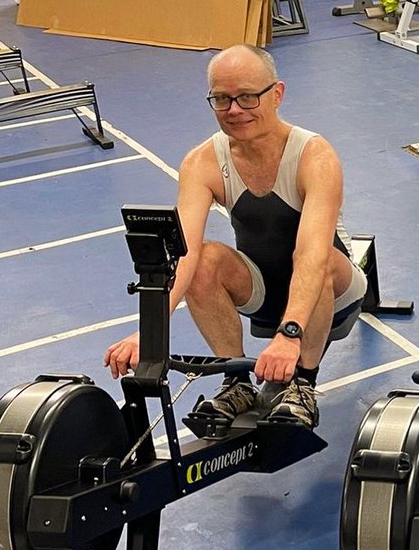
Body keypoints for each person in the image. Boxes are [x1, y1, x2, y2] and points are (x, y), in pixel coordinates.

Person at [104, 44, 367, 429]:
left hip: (333, 294)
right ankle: (237, 382)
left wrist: (289, 334)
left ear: (277, 94)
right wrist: (150, 331)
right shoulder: (202, 162)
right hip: (261, 291)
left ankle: (304, 386)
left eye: (247, 96)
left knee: (321, 255)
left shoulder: (314, 155)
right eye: (222, 99)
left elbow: (310, 254)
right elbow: (185, 254)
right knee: (205, 259)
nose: (234, 110)